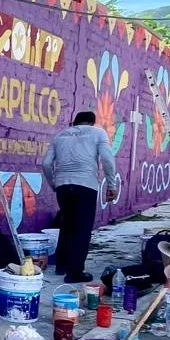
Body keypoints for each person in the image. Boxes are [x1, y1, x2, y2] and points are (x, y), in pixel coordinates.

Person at [41, 111, 119, 284]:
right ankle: (75, 272)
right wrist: (111, 185)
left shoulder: (60, 135)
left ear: (74, 122)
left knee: (67, 225)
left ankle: (62, 265)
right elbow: (107, 159)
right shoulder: (98, 132)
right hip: (85, 185)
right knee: (82, 229)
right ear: (92, 122)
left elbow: (46, 164)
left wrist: (54, 183)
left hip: (63, 185)